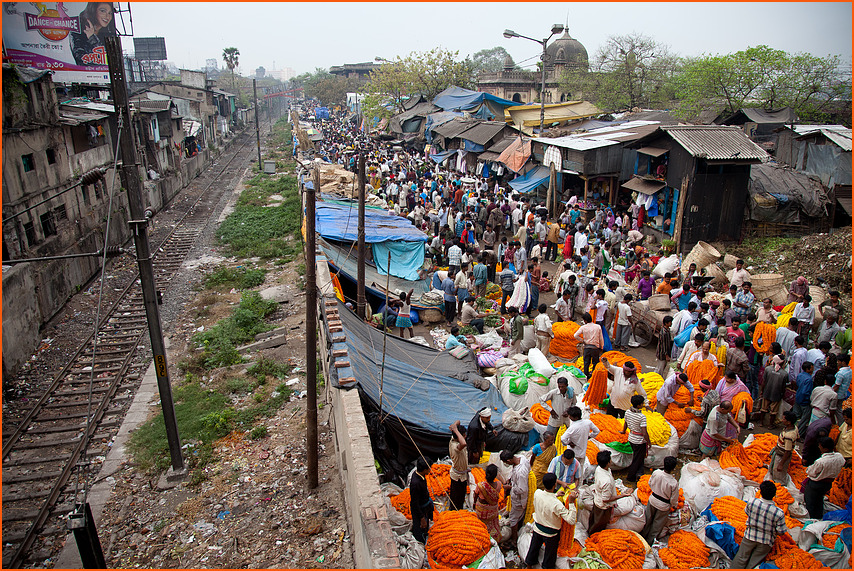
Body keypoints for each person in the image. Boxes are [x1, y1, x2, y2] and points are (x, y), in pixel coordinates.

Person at [524, 473, 578, 569]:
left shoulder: (537, 493)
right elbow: (571, 520)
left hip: (537, 528)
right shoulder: (557, 504)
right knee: (550, 555)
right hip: (551, 534)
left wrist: (555, 495)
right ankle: (547, 567)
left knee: (534, 548)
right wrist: (571, 502)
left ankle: (529, 565)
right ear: (554, 485)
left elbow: (547, 499)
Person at [731, 480, 787, 569]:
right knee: (754, 562)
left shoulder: (752, 502)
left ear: (760, 492)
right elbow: (781, 531)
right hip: (766, 541)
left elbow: (747, 512)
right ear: (774, 495)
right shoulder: (778, 512)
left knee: (741, 558)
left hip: (750, 536)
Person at [588, 450, 632, 535]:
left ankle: (592, 533)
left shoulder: (599, 469)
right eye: (610, 460)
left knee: (594, 521)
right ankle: (592, 537)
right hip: (603, 507)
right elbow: (606, 499)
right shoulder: (606, 481)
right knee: (598, 525)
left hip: (598, 500)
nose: (611, 461)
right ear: (608, 463)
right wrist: (623, 495)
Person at [640, 456, 679, 545]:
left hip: (652, 500)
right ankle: (649, 542)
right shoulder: (673, 482)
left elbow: (650, 483)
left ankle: (642, 537)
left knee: (648, 519)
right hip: (663, 506)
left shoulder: (656, 473)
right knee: (657, 526)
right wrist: (674, 505)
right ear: (673, 468)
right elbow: (674, 498)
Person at [803, 437, 845, 518]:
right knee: (819, 500)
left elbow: (811, 472)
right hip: (828, 484)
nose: (819, 447)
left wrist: (808, 469)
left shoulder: (821, 462)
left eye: (820, 446)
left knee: (810, 502)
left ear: (825, 449)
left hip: (815, 484)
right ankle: (818, 516)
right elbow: (842, 463)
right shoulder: (839, 457)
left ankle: (812, 518)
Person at [501, 449, 531, 542]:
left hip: (519, 498)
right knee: (519, 515)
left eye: (505, 462)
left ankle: (514, 540)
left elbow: (522, 489)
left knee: (513, 518)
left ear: (509, 461)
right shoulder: (521, 458)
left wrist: (510, 488)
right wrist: (510, 479)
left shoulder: (520, 472)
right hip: (517, 491)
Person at [561, 407, 600, 477]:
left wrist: (569, 443)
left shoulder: (573, 428)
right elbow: (597, 431)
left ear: (575, 417)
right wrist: (589, 436)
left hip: (572, 453)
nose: (569, 417)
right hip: (582, 452)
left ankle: (571, 485)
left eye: (570, 416)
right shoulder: (588, 423)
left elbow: (563, 438)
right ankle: (579, 485)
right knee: (580, 471)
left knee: (571, 471)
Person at [621, 394, 650, 482]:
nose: (643, 405)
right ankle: (631, 476)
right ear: (638, 405)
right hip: (639, 441)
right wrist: (648, 442)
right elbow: (644, 432)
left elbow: (625, 423)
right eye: (642, 403)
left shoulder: (628, 412)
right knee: (637, 459)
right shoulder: (641, 417)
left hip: (631, 438)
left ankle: (639, 473)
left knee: (639, 457)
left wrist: (623, 431)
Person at [473, 463, 504, 542]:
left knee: (481, 525)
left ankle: (482, 538)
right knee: (493, 525)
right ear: (495, 475)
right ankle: (494, 539)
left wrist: (474, 504)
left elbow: (475, 495)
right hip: (492, 511)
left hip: (482, 511)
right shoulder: (499, 485)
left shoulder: (480, 486)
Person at [768, 411, 799, 484]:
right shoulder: (794, 427)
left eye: (784, 419)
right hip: (778, 451)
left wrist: (781, 464)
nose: (782, 420)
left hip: (782, 455)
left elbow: (787, 451)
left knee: (778, 472)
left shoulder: (789, 436)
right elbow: (798, 436)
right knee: (773, 468)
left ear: (789, 422)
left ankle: (779, 484)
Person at [410, 458, 434, 543]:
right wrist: (422, 518)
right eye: (429, 468)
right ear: (424, 470)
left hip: (424, 506)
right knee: (420, 529)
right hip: (419, 510)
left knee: (425, 527)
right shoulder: (415, 484)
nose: (430, 470)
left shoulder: (420, 476)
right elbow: (414, 503)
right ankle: (420, 541)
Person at [760, 355, 788, 428]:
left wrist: (762, 391)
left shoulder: (768, 369)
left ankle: (761, 422)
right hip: (777, 394)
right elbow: (783, 386)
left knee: (763, 408)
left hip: (767, 391)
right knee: (774, 411)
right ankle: (770, 424)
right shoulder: (784, 373)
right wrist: (782, 394)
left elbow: (764, 382)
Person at [448, 421, 468, 510]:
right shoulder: (455, 446)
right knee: (457, 499)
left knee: (461, 497)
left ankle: (459, 509)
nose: (465, 436)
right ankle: (455, 512)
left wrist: (455, 427)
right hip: (458, 477)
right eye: (464, 435)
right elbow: (463, 443)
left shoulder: (454, 438)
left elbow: (458, 421)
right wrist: (456, 430)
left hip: (462, 475)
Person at [794, 360, 815, 438]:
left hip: (798, 398)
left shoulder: (800, 375)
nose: (813, 369)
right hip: (804, 401)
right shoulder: (809, 379)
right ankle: (798, 434)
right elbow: (805, 392)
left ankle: (792, 430)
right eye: (812, 368)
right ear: (808, 369)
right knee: (804, 419)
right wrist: (808, 400)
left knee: (796, 415)